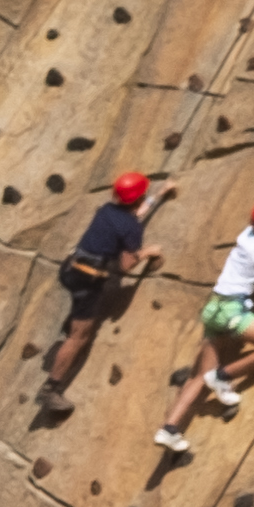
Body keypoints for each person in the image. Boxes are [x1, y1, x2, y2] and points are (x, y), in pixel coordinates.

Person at [154, 198, 254, 457]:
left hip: (213, 307)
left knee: (198, 376)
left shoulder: (247, 233)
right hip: (232, 311)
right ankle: (224, 376)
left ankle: (169, 429)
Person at [41, 171, 158, 405]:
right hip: (88, 281)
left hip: (70, 269)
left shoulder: (106, 210)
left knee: (78, 311)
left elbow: (132, 216)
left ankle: (73, 320)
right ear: (139, 198)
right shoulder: (132, 227)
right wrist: (147, 253)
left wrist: (159, 196)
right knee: (79, 337)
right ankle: (50, 389)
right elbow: (126, 266)